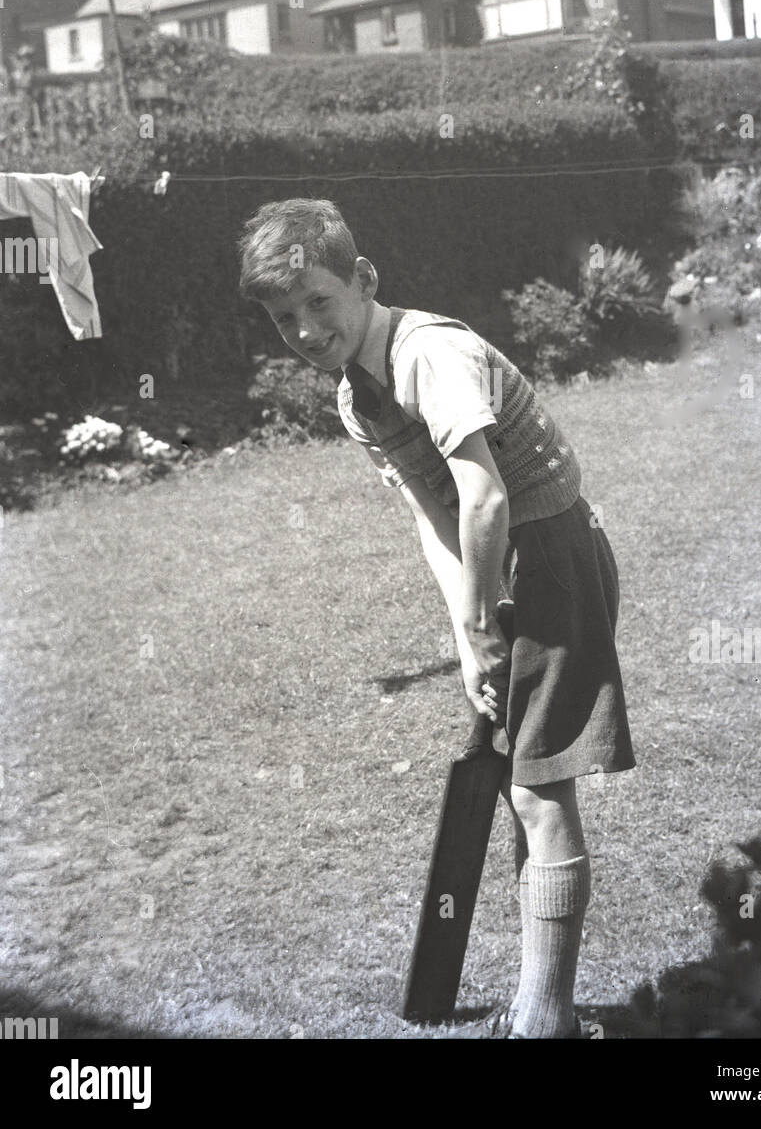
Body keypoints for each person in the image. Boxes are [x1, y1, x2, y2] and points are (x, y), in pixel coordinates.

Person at [238, 197, 636, 1039]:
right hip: (505, 565)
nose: (306, 330)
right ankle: (544, 1008)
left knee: (536, 785)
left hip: (550, 556)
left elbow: (485, 496)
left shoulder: (428, 354)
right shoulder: (356, 395)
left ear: (364, 279)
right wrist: (467, 635)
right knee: (532, 780)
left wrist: (490, 615)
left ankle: (543, 1021)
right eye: (284, 318)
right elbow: (433, 511)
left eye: (318, 301)